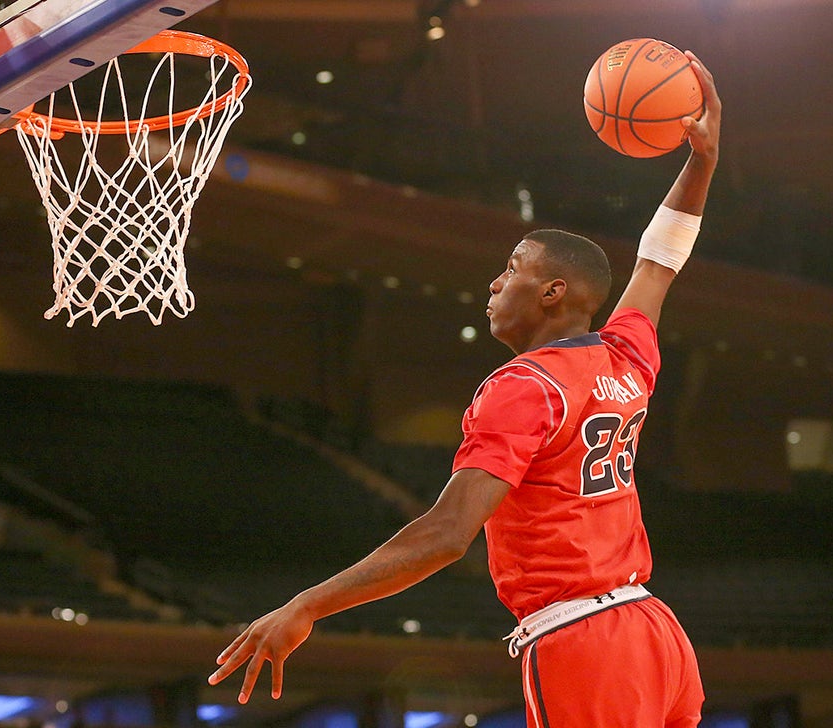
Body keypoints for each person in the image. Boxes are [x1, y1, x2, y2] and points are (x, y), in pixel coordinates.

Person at [210, 51, 721, 728]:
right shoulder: (626, 356)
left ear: (553, 292)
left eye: (510, 270)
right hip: (656, 634)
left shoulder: (524, 385)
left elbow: (449, 534)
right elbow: (659, 261)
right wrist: (702, 161)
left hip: (584, 641)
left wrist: (306, 603)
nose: (493, 284)